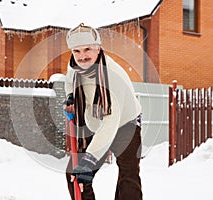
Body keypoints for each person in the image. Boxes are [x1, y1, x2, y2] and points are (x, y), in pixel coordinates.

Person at [63, 23, 143, 200]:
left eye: (87, 49)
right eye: (77, 51)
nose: (82, 56)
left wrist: (89, 161)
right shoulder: (74, 67)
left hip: (125, 124)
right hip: (95, 120)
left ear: (98, 49)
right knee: (75, 176)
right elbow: (69, 80)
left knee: (128, 178)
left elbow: (110, 124)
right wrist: (70, 97)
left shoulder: (111, 77)